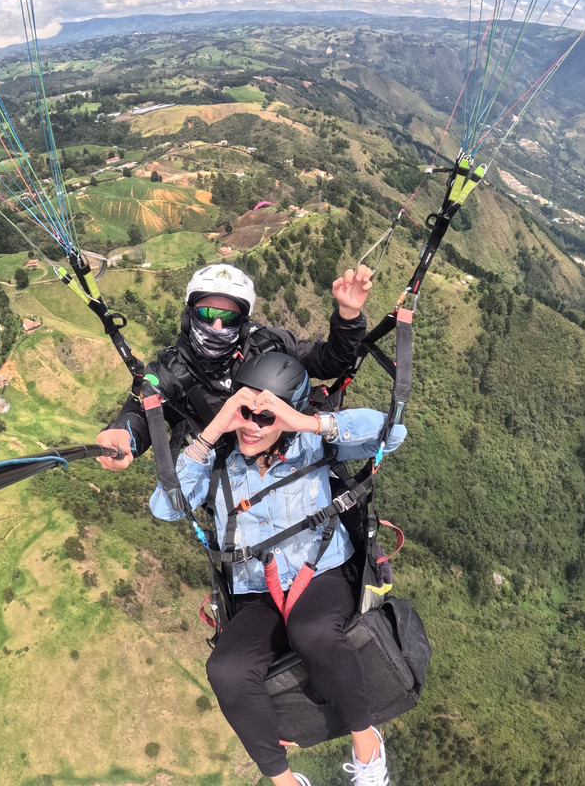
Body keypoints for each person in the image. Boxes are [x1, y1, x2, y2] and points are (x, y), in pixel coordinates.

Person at [149, 352, 405, 786]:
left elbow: (392, 433)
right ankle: (283, 780)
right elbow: (165, 507)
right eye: (244, 412)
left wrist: (306, 422)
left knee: (312, 631)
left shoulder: (313, 444)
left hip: (322, 572)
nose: (252, 425)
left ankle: (367, 747)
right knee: (224, 670)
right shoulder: (221, 464)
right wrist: (215, 429)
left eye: (265, 417)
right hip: (258, 594)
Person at [96, 263, 373, 471]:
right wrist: (124, 433)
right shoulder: (171, 371)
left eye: (228, 318)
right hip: (230, 480)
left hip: (292, 458)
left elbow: (330, 362)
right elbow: (141, 412)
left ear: (242, 325)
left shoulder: (268, 344)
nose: (217, 326)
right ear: (188, 317)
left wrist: (347, 315)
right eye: (207, 314)